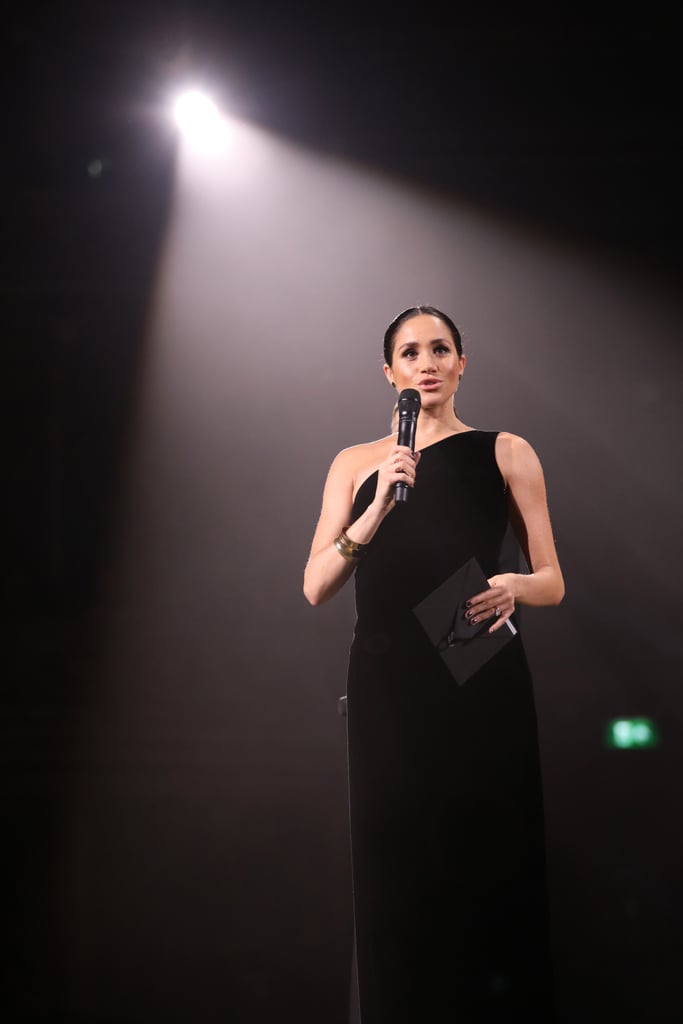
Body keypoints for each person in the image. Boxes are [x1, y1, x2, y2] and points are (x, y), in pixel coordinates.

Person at [303, 305, 565, 1022]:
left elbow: (552, 579)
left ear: (461, 362)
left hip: (478, 671)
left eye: (440, 349)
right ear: (388, 372)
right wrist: (378, 506)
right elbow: (316, 584)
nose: (426, 362)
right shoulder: (356, 463)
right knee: (398, 870)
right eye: (410, 352)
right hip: (388, 686)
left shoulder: (505, 451)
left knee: (487, 865)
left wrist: (515, 585)